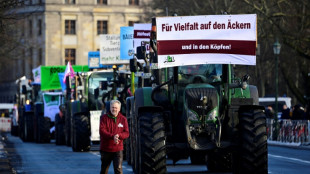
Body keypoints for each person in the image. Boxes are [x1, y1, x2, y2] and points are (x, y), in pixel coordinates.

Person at [99, 99, 129, 174]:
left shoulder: (123, 119)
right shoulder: (104, 118)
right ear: (110, 108)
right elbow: (102, 131)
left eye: (116, 108)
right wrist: (113, 136)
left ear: (119, 109)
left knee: (118, 169)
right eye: (112, 107)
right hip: (106, 149)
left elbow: (126, 133)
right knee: (104, 170)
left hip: (118, 149)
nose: (114, 109)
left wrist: (119, 136)